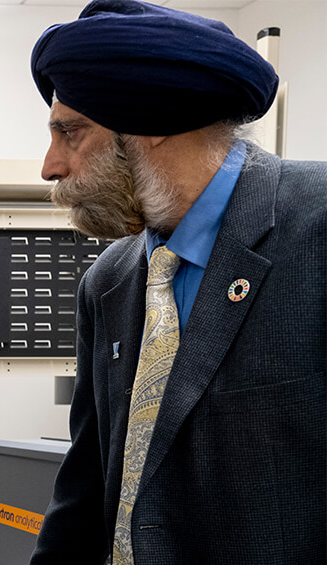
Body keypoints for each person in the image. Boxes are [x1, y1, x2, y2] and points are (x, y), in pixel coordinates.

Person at [27, 1, 326, 563]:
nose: (50, 165)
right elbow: (86, 490)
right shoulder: (108, 281)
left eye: (70, 132)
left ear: (153, 122)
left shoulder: (317, 228)